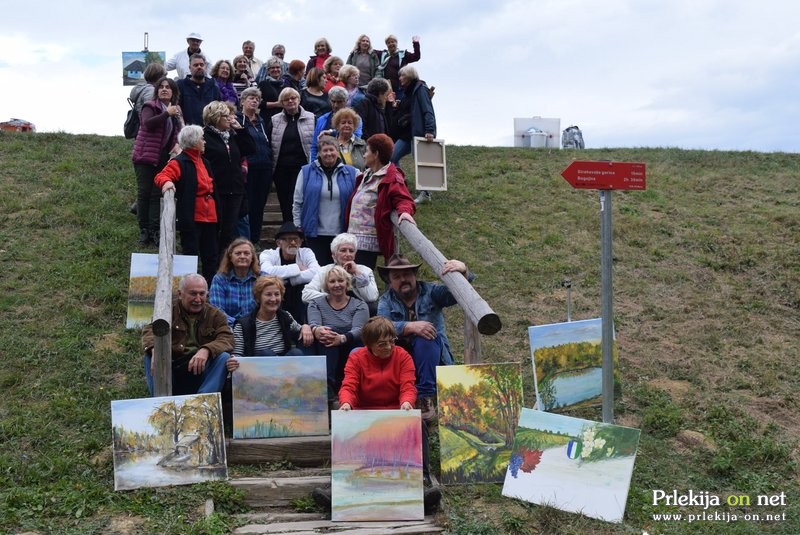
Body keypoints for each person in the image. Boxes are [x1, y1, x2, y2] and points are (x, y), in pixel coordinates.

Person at [311, 315, 441, 514]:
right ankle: (336, 487)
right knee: (345, 427)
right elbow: (349, 385)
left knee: (419, 425)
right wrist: (346, 404)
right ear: (369, 344)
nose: (389, 347)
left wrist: (406, 401)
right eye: (382, 343)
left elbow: (408, 384)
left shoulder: (402, 356)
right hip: (365, 413)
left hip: (396, 411)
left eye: (391, 341)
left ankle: (421, 481)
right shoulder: (357, 357)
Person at [377, 254, 474, 422]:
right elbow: (381, 326)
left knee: (426, 337)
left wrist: (464, 271)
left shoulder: (431, 291)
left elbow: (457, 293)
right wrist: (409, 326)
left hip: (433, 357)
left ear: (415, 275)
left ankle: (425, 397)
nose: (403, 280)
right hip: (402, 361)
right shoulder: (385, 301)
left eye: (407, 274)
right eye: (397, 277)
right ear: (390, 282)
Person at [141, 274, 233, 396]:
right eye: (193, 294)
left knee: (224, 357)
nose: (198, 299)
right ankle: (160, 400)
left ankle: (203, 401)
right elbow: (149, 331)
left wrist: (206, 350)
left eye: (202, 294)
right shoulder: (167, 312)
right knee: (150, 357)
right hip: (173, 368)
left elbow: (227, 338)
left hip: (201, 370)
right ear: (180, 294)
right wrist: (154, 350)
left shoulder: (216, 315)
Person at [154, 125, 219, 284]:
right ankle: (190, 290)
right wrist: (167, 183)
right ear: (194, 141)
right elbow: (161, 176)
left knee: (211, 256)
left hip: (210, 216)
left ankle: (210, 290)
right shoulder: (179, 162)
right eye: (202, 138)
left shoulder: (205, 161)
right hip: (192, 217)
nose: (204, 141)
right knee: (191, 255)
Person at [344, 134, 416, 269]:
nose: (364, 155)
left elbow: (403, 198)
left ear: (376, 154)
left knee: (360, 281)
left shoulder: (391, 177)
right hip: (353, 239)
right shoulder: (367, 174)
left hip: (367, 243)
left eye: (366, 151)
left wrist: (405, 212)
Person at [131, 76, 183, 246]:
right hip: (145, 156)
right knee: (144, 193)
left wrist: (176, 144)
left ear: (173, 92)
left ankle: (154, 231)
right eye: (161, 87)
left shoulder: (174, 111)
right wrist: (166, 114)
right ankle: (143, 231)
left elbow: (176, 133)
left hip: (161, 157)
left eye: (168, 87)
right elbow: (147, 124)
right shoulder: (150, 106)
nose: (164, 89)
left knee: (156, 195)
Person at [308, 266, 369, 404]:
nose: (337, 285)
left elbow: (360, 329)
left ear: (347, 283)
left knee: (334, 336)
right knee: (327, 334)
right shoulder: (315, 303)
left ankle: (352, 390)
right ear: (326, 285)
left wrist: (341, 338)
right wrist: (318, 330)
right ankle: (328, 388)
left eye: (340, 281)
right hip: (326, 345)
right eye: (332, 281)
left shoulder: (359, 305)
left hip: (350, 342)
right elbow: (314, 323)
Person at [226, 276, 314, 371]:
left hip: (285, 369)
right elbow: (237, 355)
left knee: (296, 353)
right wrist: (233, 362)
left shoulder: (285, 317)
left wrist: (305, 327)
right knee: (267, 354)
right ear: (258, 298)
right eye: (268, 294)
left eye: (277, 294)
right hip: (259, 369)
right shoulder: (243, 324)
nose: (273, 299)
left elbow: (300, 330)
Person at [292, 135, 358, 262]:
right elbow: (297, 201)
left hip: (342, 233)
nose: (328, 153)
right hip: (314, 233)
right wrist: (297, 225)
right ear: (319, 153)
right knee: (318, 272)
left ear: (337, 151)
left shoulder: (352, 173)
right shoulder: (306, 172)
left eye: (331, 150)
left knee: (339, 274)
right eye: (325, 150)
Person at [201, 101, 255, 254]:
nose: (231, 119)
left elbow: (250, 149)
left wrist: (240, 129)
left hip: (235, 191)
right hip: (215, 191)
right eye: (226, 116)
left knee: (229, 233)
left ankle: (224, 267)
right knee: (214, 232)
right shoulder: (204, 136)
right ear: (216, 117)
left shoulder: (231, 136)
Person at [389, 65, 437, 203]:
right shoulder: (407, 92)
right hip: (406, 134)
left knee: (422, 163)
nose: (400, 78)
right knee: (392, 156)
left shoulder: (420, 88)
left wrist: (430, 130)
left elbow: (428, 110)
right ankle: (400, 183)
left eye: (402, 76)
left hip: (419, 133)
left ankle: (426, 194)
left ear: (410, 76)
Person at [259, 222, 320, 323]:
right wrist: (297, 268)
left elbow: (317, 272)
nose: (292, 242)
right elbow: (266, 272)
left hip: (299, 296)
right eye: (288, 239)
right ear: (279, 243)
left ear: (300, 242)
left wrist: (289, 280)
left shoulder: (306, 252)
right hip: (277, 294)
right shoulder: (268, 254)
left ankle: (303, 324)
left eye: (296, 239)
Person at [270, 87, 315, 222]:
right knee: (284, 201)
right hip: (281, 169)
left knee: (300, 200)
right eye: (286, 99)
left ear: (299, 99)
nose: (290, 101)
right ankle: (287, 229)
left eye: (293, 98)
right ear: (282, 103)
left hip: (302, 168)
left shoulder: (312, 118)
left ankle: (300, 231)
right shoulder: (274, 120)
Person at [302, 232, 379, 311]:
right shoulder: (324, 271)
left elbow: (371, 297)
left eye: (351, 251)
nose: (348, 254)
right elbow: (306, 295)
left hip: (357, 312)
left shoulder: (365, 271)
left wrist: (357, 274)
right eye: (343, 250)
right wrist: (333, 297)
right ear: (334, 255)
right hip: (329, 312)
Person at [237, 87, 273, 245]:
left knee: (259, 205)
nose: (254, 101)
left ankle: (255, 240)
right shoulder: (237, 120)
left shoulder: (261, 121)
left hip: (264, 168)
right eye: (250, 98)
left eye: (257, 99)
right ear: (242, 101)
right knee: (248, 205)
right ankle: (246, 241)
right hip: (248, 168)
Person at [209, 238, 262, 326]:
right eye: (238, 253)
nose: (242, 256)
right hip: (228, 327)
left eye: (246, 253)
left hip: (257, 327)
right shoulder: (219, 279)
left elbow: (268, 307)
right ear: (230, 257)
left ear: (252, 257)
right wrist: (239, 326)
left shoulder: (262, 278)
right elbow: (217, 310)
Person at [310, 87, 363, 161]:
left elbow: (356, 137)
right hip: (324, 160)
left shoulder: (355, 119)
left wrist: (332, 132)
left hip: (348, 159)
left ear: (346, 101)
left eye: (339, 102)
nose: (336, 105)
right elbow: (315, 145)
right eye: (333, 101)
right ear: (329, 100)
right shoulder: (322, 119)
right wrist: (312, 163)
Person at [177, 54, 221, 126]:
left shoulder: (213, 86)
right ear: (189, 68)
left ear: (205, 67)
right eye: (196, 65)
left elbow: (219, 109)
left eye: (201, 65)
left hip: (209, 131)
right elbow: (176, 107)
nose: (199, 67)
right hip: (189, 131)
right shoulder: (181, 85)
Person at [256, 56, 285, 121]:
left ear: (281, 70)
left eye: (277, 67)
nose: (275, 69)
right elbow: (258, 103)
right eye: (272, 68)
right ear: (268, 71)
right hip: (267, 119)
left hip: (283, 119)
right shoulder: (263, 84)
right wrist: (276, 104)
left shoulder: (285, 86)